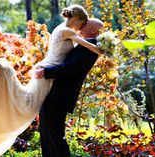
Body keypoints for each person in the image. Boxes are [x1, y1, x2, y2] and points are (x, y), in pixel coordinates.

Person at [0, 4, 101, 157]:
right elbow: (86, 46)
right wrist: (102, 49)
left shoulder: (62, 28)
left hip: (49, 75)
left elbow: (72, 63)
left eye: (85, 25)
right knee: (32, 108)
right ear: (76, 18)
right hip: (46, 75)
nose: (81, 27)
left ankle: (3, 74)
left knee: (46, 123)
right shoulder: (68, 31)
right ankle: (4, 72)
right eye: (82, 23)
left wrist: (102, 45)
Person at [35, 18, 104, 157]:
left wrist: (46, 72)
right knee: (47, 132)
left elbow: (71, 68)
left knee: (53, 134)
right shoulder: (87, 44)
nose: (80, 26)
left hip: (61, 94)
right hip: (59, 93)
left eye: (84, 24)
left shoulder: (90, 46)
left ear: (91, 30)